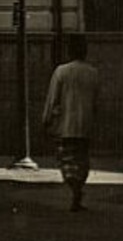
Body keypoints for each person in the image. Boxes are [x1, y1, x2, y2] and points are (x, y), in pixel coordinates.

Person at [42, 33, 100, 211]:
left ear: (69, 51)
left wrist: (46, 119)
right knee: (82, 160)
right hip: (85, 125)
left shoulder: (61, 71)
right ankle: (78, 190)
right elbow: (96, 102)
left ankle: (74, 189)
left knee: (66, 160)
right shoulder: (92, 73)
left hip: (65, 125)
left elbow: (52, 98)